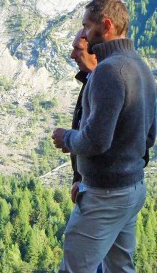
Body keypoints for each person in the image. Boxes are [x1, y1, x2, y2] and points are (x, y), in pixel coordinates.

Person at [52, 0, 157, 272]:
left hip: (105, 194)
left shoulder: (109, 71)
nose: (84, 34)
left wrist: (67, 138)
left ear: (106, 25)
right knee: (120, 267)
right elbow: (149, 137)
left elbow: (96, 140)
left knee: (75, 269)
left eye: (87, 26)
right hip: (132, 187)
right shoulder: (140, 67)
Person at [68, 29, 97, 204]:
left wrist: (67, 138)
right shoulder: (90, 80)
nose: (72, 56)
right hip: (88, 186)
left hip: (98, 192)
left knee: (77, 233)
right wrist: (78, 180)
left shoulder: (105, 86)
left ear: (95, 51)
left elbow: (96, 139)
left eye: (78, 49)